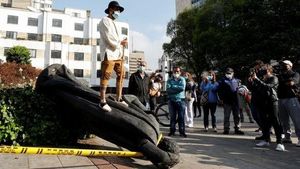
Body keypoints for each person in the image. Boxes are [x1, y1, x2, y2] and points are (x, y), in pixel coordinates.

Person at [98, 1, 128, 112]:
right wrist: (120, 43)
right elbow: (108, 37)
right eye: (117, 9)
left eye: (119, 10)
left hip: (118, 54)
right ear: (111, 9)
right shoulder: (104, 21)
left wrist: (122, 42)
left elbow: (117, 39)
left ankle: (118, 98)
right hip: (109, 53)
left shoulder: (116, 23)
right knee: (106, 75)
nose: (118, 12)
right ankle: (102, 101)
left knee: (122, 74)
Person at [248, 64, 285, 151]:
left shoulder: (274, 78)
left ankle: (279, 143)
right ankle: (266, 139)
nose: (261, 70)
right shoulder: (262, 79)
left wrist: (257, 80)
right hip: (262, 103)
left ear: (268, 70)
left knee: (275, 121)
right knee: (264, 122)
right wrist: (251, 81)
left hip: (272, 102)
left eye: (263, 69)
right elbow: (254, 89)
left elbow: (268, 87)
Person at [277, 60, 300, 146]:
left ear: (290, 65)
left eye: (285, 64)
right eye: (282, 64)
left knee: (297, 120)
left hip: (292, 99)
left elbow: (291, 83)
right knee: (284, 120)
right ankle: (287, 137)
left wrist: (284, 80)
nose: (283, 66)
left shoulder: (295, 74)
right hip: (281, 99)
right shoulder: (280, 74)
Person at [218, 68, 244, 135]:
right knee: (226, 116)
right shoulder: (222, 81)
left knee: (237, 116)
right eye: (227, 73)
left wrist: (242, 92)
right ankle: (226, 129)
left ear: (233, 73)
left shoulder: (237, 81)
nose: (228, 74)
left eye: (229, 73)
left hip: (236, 101)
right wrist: (221, 99)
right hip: (227, 101)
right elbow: (219, 91)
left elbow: (241, 89)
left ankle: (237, 129)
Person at [167, 67, 187, 137]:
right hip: (171, 101)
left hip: (181, 100)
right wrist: (176, 87)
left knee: (181, 117)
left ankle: (182, 132)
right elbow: (168, 90)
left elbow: (182, 88)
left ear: (180, 72)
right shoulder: (169, 80)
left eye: (178, 71)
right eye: (175, 71)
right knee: (172, 117)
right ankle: (172, 131)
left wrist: (173, 86)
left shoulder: (182, 79)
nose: (176, 73)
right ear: (173, 72)